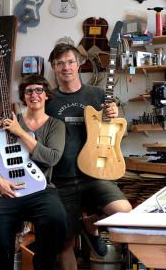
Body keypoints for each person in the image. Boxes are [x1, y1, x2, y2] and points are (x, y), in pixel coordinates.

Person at [45, 43, 132, 270]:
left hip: (95, 173)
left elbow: (117, 128)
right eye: (60, 63)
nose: (66, 67)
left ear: (79, 64)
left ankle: (90, 222)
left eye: (70, 62)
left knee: (124, 213)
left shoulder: (98, 94)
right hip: (60, 177)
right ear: (54, 68)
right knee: (65, 243)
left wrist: (115, 114)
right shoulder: (48, 100)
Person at [0, 74, 68, 270]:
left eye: (39, 90)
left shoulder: (55, 125)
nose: (34, 94)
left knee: (57, 220)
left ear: (46, 95)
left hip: (40, 188)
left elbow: (52, 157)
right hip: (3, 188)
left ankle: (43, 264)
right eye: (28, 91)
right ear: (24, 96)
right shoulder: (8, 121)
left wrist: (20, 132)